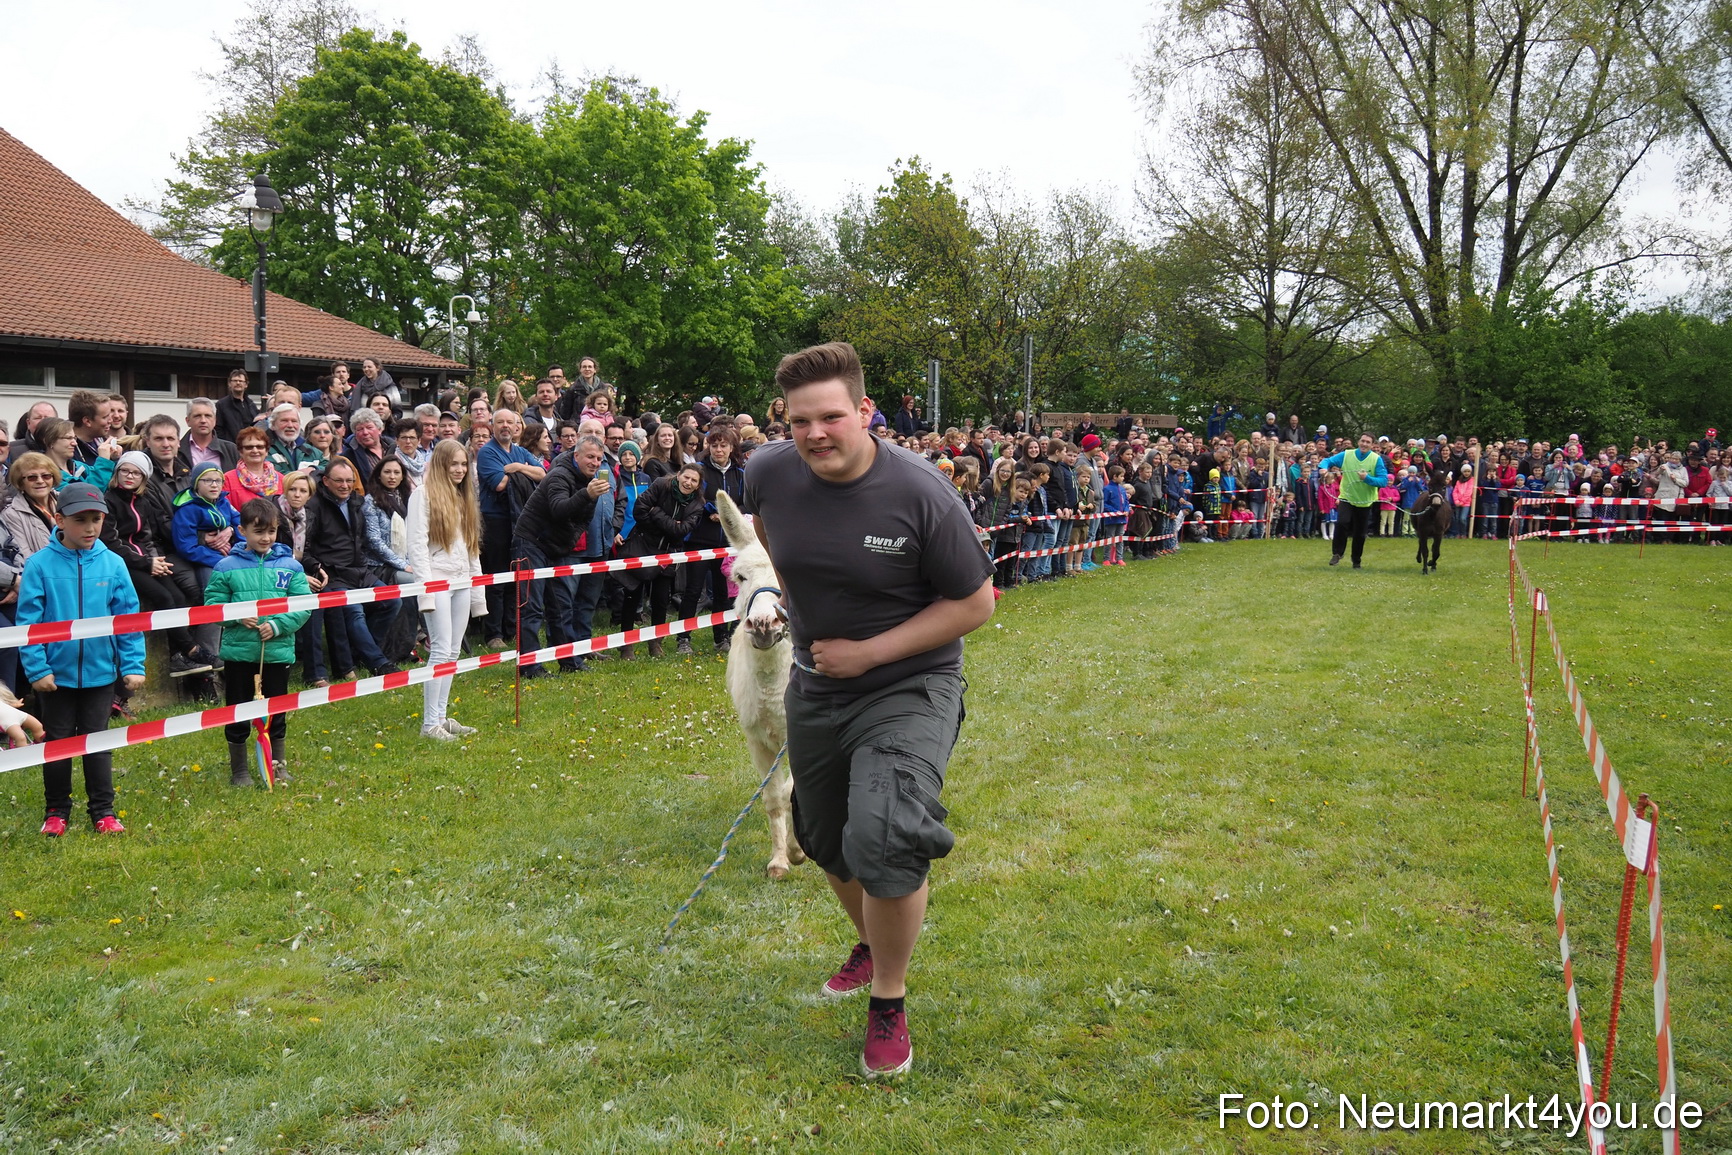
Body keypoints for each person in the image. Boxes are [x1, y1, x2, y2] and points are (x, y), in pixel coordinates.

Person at [739, 341, 995, 1080]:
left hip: (910, 683)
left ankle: (889, 997)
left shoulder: (921, 493)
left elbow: (976, 602)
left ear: (864, 412)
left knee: (886, 829)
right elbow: (768, 534)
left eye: (829, 418)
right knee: (824, 837)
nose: (814, 434)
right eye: (798, 422)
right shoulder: (768, 473)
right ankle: (870, 940)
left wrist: (872, 652)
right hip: (819, 684)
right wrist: (801, 601)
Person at [18, 482, 146, 836]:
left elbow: (129, 619)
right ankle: (56, 811)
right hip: (54, 677)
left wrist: (133, 665)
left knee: (98, 742)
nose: (90, 528)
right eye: (81, 520)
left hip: (101, 675)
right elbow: (27, 622)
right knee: (58, 744)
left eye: (97, 519)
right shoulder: (38, 565)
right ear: (59, 519)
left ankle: (103, 811)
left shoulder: (114, 564)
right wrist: (38, 669)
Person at [205, 499, 311, 786]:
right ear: (242, 530)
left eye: (272, 532)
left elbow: (303, 605)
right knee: (237, 710)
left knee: (277, 709)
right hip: (240, 653)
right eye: (258, 532)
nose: (266, 538)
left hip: (276, 652)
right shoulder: (226, 566)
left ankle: (278, 764)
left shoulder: (291, 566)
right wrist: (238, 617)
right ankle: (239, 769)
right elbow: (213, 604)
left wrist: (278, 625)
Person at [103, 451, 211, 677]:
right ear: (117, 472)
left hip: (148, 559)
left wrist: (158, 561)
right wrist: (146, 562)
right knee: (163, 598)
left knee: (179, 597)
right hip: (124, 564)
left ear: (144, 478)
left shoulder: (142, 502)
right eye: (125, 470)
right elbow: (112, 543)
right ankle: (190, 649)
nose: (129, 476)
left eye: (136, 473)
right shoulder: (109, 500)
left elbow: (150, 537)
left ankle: (178, 657)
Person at [511, 436, 609, 678]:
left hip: (557, 547)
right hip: (531, 542)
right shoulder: (559, 475)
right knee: (532, 606)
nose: (595, 463)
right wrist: (586, 494)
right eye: (590, 457)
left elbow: (583, 520)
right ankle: (530, 667)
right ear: (576, 456)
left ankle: (569, 660)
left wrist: (569, 540)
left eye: (598, 458)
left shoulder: (591, 482)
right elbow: (558, 508)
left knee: (562, 604)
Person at [407, 440, 486, 739]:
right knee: (439, 650)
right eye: (454, 463)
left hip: (462, 580)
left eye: (464, 464)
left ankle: (441, 716)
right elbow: (417, 545)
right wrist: (426, 589)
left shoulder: (463, 496)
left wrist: (476, 588)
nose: (459, 469)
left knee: (453, 651)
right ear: (440, 463)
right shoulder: (422, 495)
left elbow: (471, 548)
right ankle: (429, 724)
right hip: (437, 580)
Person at [301, 457, 400, 679]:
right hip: (332, 574)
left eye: (349, 481)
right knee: (354, 611)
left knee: (393, 601)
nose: (345, 486)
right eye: (339, 481)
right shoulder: (313, 505)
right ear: (325, 481)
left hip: (359, 571)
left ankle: (360, 652)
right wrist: (315, 567)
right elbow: (303, 548)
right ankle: (379, 662)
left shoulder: (357, 501)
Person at [619, 463, 706, 658]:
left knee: (661, 599)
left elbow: (681, 531)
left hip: (668, 553)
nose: (688, 482)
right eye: (686, 477)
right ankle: (626, 644)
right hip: (642, 545)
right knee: (632, 595)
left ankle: (656, 642)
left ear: (698, 484)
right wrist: (667, 524)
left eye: (694, 480)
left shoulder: (697, 504)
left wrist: (656, 512)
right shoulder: (660, 485)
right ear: (678, 475)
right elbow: (640, 510)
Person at [475, 409, 544, 647]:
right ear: (492, 426)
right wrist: (521, 470)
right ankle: (493, 634)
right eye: (500, 422)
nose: (506, 426)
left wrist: (517, 467)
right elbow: (500, 484)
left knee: (515, 574)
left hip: (519, 519)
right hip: (495, 520)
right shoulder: (486, 452)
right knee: (496, 577)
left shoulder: (519, 451)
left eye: (510, 422)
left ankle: (510, 628)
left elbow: (542, 474)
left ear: (517, 427)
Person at [676, 426, 745, 656]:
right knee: (693, 590)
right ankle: (683, 638)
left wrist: (729, 514)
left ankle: (721, 636)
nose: (718, 449)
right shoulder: (701, 469)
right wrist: (711, 511)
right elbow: (696, 495)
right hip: (700, 538)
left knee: (723, 592)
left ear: (731, 447)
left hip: (727, 542)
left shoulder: (740, 473)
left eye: (723, 445)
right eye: (714, 445)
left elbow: (745, 503)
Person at [1320, 434, 1389, 567]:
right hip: (1347, 497)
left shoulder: (1376, 460)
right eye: (1362, 441)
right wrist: (1323, 468)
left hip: (1365, 501)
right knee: (1342, 522)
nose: (1364, 444)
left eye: (1367, 442)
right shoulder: (1347, 454)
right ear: (1358, 442)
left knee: (1360, 533)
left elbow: (1383, 481)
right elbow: (1328, 461)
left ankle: (1356, 561)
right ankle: (1337, 553)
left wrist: (1367, 478)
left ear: (1372, 445)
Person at [223, 425, 284, 510]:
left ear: (266, 451)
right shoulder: (228, 480)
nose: (255, 451)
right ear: (241, 451)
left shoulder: (282, 480)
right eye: (249, 447)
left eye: (260, 447)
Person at [215, 368, 258, 444]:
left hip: (249, 446)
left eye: (241, 381)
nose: (238, 383)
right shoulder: (221, 405)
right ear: (229, 383)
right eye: (235, 380)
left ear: (246, 385)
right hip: (231, 449)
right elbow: (218, 429)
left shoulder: (251, 404)